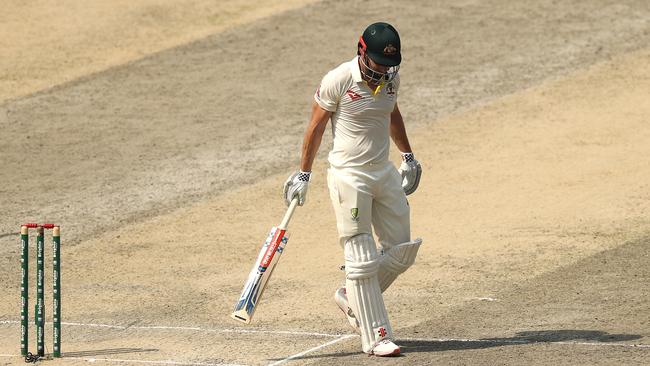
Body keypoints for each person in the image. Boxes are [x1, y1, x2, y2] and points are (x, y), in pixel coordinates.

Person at [283, 22, 422, 356]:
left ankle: (350, 295)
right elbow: (315, 127)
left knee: (402, 249)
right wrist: (304, 174)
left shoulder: (392, 79)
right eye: (377, 61)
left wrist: (408, 156)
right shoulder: (339, 79)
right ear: (362, 52)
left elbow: (392, 115)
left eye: (389, 63)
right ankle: (376, 336)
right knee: (360, 259)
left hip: (383, 172)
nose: (384, 68)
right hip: (349, 176)